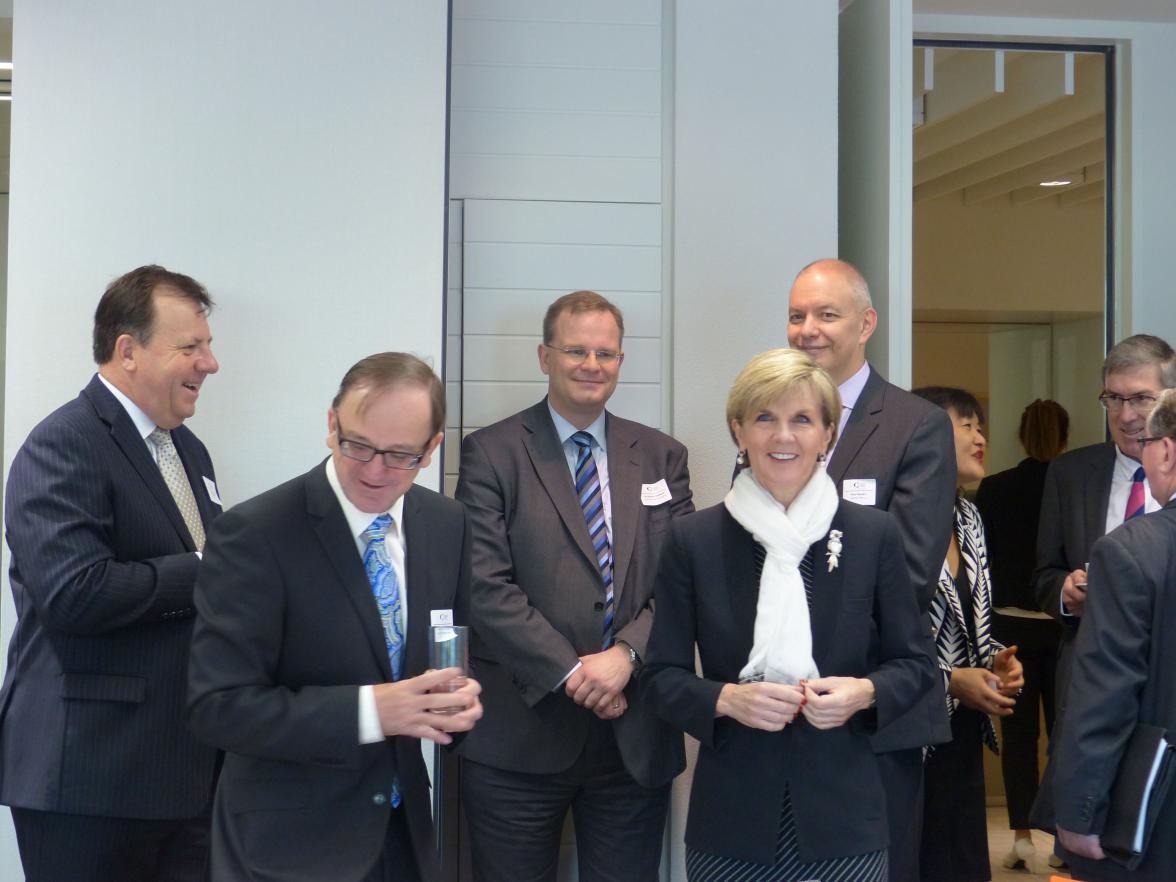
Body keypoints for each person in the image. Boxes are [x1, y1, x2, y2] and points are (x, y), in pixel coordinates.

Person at [186, 353, 483, 882]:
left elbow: (448, 644)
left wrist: (452, 711)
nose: (374, 470)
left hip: (403, 836)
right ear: (331, 425)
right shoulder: (256, 533)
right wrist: (372, 711)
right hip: (288, 850)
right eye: (358, 445)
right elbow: (218, 707)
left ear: (433, 448)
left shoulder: (446, 524)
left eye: (399, 456)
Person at [642, 347, 936, 880]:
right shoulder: (695, 540)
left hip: (845, 818)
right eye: (764, 418)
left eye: (802, 419)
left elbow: (915, 665)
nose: (783, 436)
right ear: (739, 431)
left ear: (828, 434)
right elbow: (661, 677)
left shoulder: (872, 535)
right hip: (733, 820)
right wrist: (726, 698)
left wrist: (863, 693)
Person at [455, 290, 693, 882]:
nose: (592, 365)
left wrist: (626, 656)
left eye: (606, 353)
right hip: (519, 734)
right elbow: (485, 587)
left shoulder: (663, 456)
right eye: (576, 351)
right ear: (544, 356)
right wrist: (576, 674)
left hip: (633, 734)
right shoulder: (492, 452)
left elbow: (685, 582)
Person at [0, 265, 222, 881]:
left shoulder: (189, 449)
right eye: (191, 347)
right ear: (128, 351)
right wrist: (213, 569)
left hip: (183, 774)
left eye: (207, 345)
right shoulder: (64, 443)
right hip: (91, 779)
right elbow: (75, 593)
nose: (210, 363)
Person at [787, 258, 956, 878]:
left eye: (826, 314)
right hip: (778, 709)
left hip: (871, 706)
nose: (808, 329)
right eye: (797, 314)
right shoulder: (772, 421)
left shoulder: (917, 427)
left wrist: (812, 654)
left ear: (866, 323)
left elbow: (908, 575)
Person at [1032, 335, 1176, 839]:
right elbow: (1043, 573)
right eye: (1113, 398)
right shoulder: (1071, 474)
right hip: (1089, 689)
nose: (1126, 413)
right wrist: (1064, 594)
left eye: (1141, 398)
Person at [912, 386, 1024, 882]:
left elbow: (973, 621)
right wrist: (949, 680)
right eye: (966, 425)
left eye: (981, 426)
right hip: (906, 730)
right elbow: (867, 639)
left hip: (961, 733)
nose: (981, 437)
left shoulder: (970, 516)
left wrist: (996, 662)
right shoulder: (893, 519)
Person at [975, 398, 1069, 870]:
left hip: (1007, 625)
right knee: (1063, 735)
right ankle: (1064, 840)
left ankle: (1022, 838)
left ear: (1019, 435)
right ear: (1066, 436)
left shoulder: (994, 489)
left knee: (1018, 737)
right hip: (1062, 627)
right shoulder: (1072, 485)